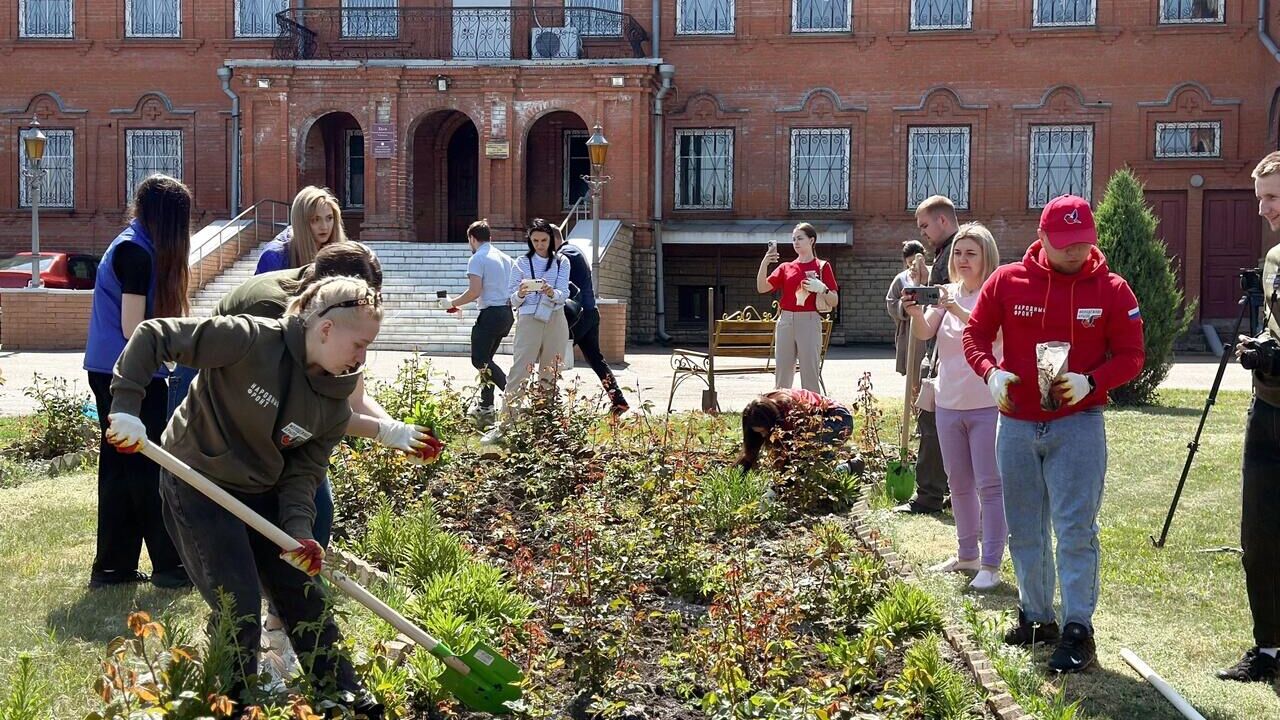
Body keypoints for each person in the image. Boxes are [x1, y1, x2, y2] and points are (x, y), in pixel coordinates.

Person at [104, 276, 384, 716]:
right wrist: (125, 406)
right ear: (326, 330)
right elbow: (154, 335)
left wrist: (296, 532)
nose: (362, 358)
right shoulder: (250, 339)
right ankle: (232, 704)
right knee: (239, 601)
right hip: (197, 478)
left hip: (262, 488)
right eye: (359, 344)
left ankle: (340, 693)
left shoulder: (333, 403)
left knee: (302, 591)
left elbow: (303, 476)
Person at [963, 194, 1144, 673]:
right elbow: (975, 335)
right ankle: (1037, 615)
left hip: (1077, 425)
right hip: (1017, 424)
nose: (1074, 253)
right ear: (1041, 238)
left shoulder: (1111, 289)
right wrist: (990, 373)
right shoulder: (1007, 281)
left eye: (1082, 243)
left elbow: (1132, 355)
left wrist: (1093, 381)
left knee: (1074, 529)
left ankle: (1078, 628)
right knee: (1024, 526)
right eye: (1064, 244)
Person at [82, 174, 190, 590]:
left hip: (112, 370)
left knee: (121, 472)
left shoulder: (132, 244)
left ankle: (112, 567)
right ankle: (169, 564)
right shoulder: (136, 254)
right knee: (148, 468)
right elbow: (134, 329)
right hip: (126, 376)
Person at [904, 223, 1004, 591]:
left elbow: (992, 334)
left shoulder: (995, 294)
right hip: (947, 402)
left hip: (986, 404)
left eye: (971, 254)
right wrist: (915, 312)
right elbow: (925, 333)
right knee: (958, 484)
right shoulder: (946, 293)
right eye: (959, 253)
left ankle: (991, 563)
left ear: (986, 258)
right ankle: (967, 555)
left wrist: (957, 309)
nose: (962, 260)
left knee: (990, 487)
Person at [1219, 150, 1280, 683]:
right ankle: (1268, 650)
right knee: (1259, 535)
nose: (1265, 210)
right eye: (1261, 199)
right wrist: (1262, 346)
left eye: (1275, 198)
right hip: (1268, 411)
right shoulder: (1275, 260)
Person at [895, 195, 959, 514]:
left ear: (942, 220)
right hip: (944, 350)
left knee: (932, 423)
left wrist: (926, 293)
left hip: (946, 354)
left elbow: (947, 301)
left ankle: (929, 495)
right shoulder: (948, 252)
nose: (921, 232)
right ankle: (947, 489)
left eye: (924, 225)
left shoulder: (956, 252)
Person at [481, 218, 571, 445]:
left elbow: (564, 293)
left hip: (555, 316)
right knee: (519, 370)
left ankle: (545, 424)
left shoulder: (562, 262)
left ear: (551, 239)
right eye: (535, 240)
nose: (540, 244)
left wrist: (551, 292)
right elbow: (512, 298)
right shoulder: (520, 263)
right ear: (530, 241)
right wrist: (522, 292)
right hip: (529, 318)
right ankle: (505, 425)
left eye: (544, 240)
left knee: (551, 370)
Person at [437, 219, 515, 426]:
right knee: (486, 361)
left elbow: (474, 291)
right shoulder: (505, 258)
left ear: (472, 238)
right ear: (490, 237)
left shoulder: (477, 258)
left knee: (479, 360)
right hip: (506, 313)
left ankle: (513, 394)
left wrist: (451, 302)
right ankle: (486, 405)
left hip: (490, 314)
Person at [553, 224, 629, 415]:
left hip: (578, 315)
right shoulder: (573, 250)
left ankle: (549, 405)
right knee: (596, 359)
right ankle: (618, 400)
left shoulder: (565, 255)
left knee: (553, 356)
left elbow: (560, 286)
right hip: (590, 312)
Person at [756, 222, 839, 391]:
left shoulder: (822, 266)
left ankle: (812, 413)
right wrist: (765, 262)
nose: (796, 242)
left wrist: (822, 288)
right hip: (786, 319)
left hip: (809, 319)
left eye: (800, 238)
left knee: (809, 372)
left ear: (812, 240)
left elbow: (834, 300)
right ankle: (782, 411)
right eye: (794, 239)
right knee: (782, 373)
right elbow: (762, 287)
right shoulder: (786, 267)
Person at [735, 389, 853, 473]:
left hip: (838, 419)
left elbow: (793, 455)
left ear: (772, 423)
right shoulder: (756, 410)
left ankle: (849, 466)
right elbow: (751, 450)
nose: (763, 435)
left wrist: (778, 487)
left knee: (809, 463)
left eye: (764, 431)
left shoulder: (787, 412)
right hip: (819, 423)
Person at [255, 186, 347, 274]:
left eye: (329, 218)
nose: (324, 227)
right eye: (315, 220)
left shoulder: (342, 253)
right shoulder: (275, 257)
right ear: (301, 222)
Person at [886, 239, 928, 378]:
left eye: (916, 262)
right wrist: (903, 307)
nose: (912, 266)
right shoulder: (901, 279)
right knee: (912, 367)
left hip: (929, 324)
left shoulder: (931, 274)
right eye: (910, 263)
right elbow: (891, 302)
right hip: (909, 328)